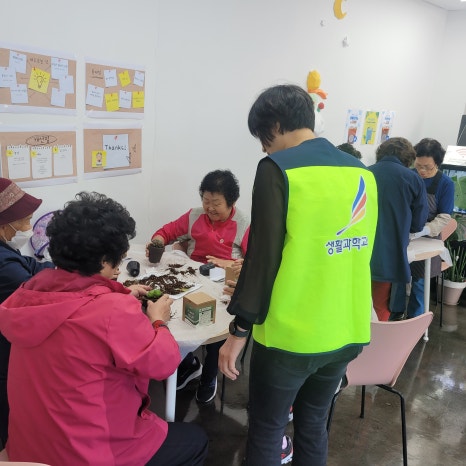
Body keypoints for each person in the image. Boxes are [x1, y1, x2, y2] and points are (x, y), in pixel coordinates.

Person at [218, 84, 378, 466]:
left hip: (292, 336)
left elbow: (262, 259)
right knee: (313, 423)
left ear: (276, 124)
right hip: (347, 330)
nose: (263, 147)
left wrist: (238, 332)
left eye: (263, 137)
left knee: (269, 429)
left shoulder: (278, 169)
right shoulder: (362, 173)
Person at [0, 192, 208, 465]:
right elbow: (163, 363)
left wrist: (118, 293)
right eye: (118, 261)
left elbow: (75, 294)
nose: (118, 270)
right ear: (102, 261)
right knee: (197, 440)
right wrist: (158, 320)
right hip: (85, 454)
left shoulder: (27, 294)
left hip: (29, 448)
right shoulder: (111, 312)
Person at [148, 169, 249, 404]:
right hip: (191, 280)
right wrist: (158, 241)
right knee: (171, 315)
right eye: (206, 201)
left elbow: (254, 262)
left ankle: (209, 376)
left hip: (224, 286)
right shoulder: (194, 216)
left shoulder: (244, 223)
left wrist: (231, 263)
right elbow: (167, 231)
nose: (210, 208)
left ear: (231, 202)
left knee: (215, 328)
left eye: (216, 203)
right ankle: (188, 363)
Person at [0, 177, 55, 448]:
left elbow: (31, 267)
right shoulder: (3, 266)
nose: (27, 228)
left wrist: (61, 268)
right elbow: (33, 289)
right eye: (23, 221)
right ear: (4, 223)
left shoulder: (6, 253)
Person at [390, 138, 455, 320]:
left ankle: (414, 322)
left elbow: (444, 216)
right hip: (404, 234)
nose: (422, 171)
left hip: (428, 237)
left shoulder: (445, 184)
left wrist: (423, 230)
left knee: (419, 281)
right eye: (418, 165)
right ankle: (394, 317)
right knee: (397, 278)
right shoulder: (407, 176)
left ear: (437, 163)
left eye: (427, 167)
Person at [368, 138, 429, 321]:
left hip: (356, 251)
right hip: (389, 256)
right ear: (408, 159)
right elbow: (418, 223)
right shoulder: (413, 179)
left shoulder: (364, 172)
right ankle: (376, 346)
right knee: (380, 307)